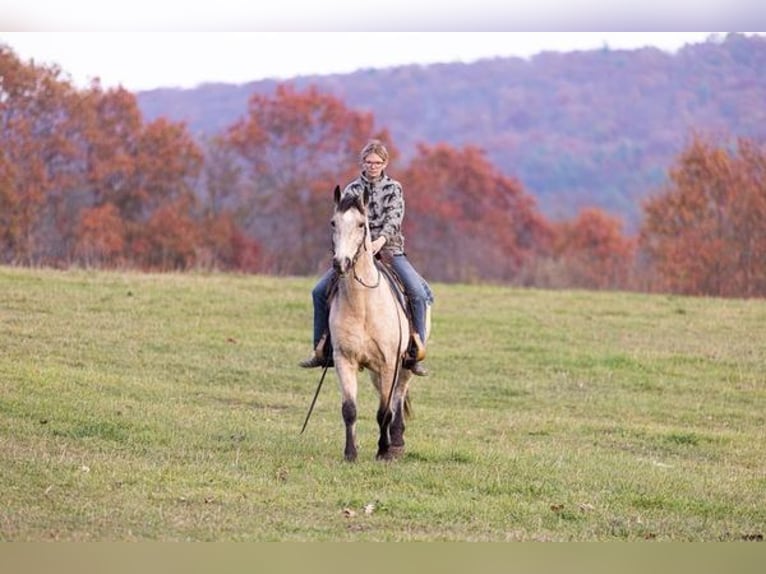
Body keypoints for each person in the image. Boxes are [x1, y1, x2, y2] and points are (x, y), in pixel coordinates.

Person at [299, 139, 434, 376]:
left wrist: (379, 241)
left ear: (385, 163)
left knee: (418, 292)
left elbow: (395, 219)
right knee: (319, 292)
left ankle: (415, 351)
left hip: (390, 250)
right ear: (363, 162)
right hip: (355, 254)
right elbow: (343, 222)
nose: (373, 166)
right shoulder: (351, 190)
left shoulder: (394, 189)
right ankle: (323, 349)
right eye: (369, 162)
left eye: (377, 162)